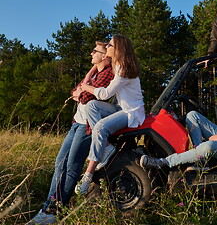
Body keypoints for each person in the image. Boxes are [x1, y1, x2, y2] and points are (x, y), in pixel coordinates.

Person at [27, 41, 114, 224]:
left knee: (72, 166)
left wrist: (81, 91)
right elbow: (75, 91)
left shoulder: (108, 74)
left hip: (87, 127)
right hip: (77, 123)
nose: (91, 54)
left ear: (104, 56)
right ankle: (48, 208)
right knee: (60, 163)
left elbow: (85, 96)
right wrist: (84, 84)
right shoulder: (96, 73)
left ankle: (54, 211)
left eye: (94, 51)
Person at [75, 34, 145, 194]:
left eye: (110, 46)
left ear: (119, 49)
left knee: (100, 126)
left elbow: (104, 94)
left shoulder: (124, 69)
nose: (107, 48)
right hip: (120, 107)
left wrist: (85, 87)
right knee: (91, 106)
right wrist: (92, 70)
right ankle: (106, 147)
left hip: (130, 111)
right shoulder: (117, 64)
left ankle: (88, 173)